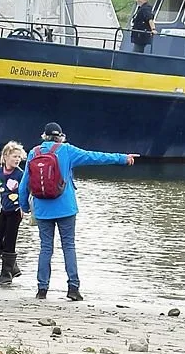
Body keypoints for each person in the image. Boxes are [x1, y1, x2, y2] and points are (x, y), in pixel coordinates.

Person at [18, 122, 136, 302]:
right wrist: (122, 158)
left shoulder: (34, 153)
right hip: (66, 208)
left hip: (42, 209)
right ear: (60, 136)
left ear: (44, 136)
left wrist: (25, 207)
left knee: (45, 248)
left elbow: (23, 186)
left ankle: (42, 290)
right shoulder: (66, 150)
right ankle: (73, 288)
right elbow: (95, 157)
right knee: (69, 246)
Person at [0, 141, 27, 287]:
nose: (17, 159)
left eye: (19, 157)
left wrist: (24, 207)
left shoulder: (20, 174)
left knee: (9, 242)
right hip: (4, 209)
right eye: (14, 156)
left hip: (16, 211)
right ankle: (13, 266)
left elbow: (25, 191)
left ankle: (6, 275)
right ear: (6, 156)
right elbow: (2, 189)